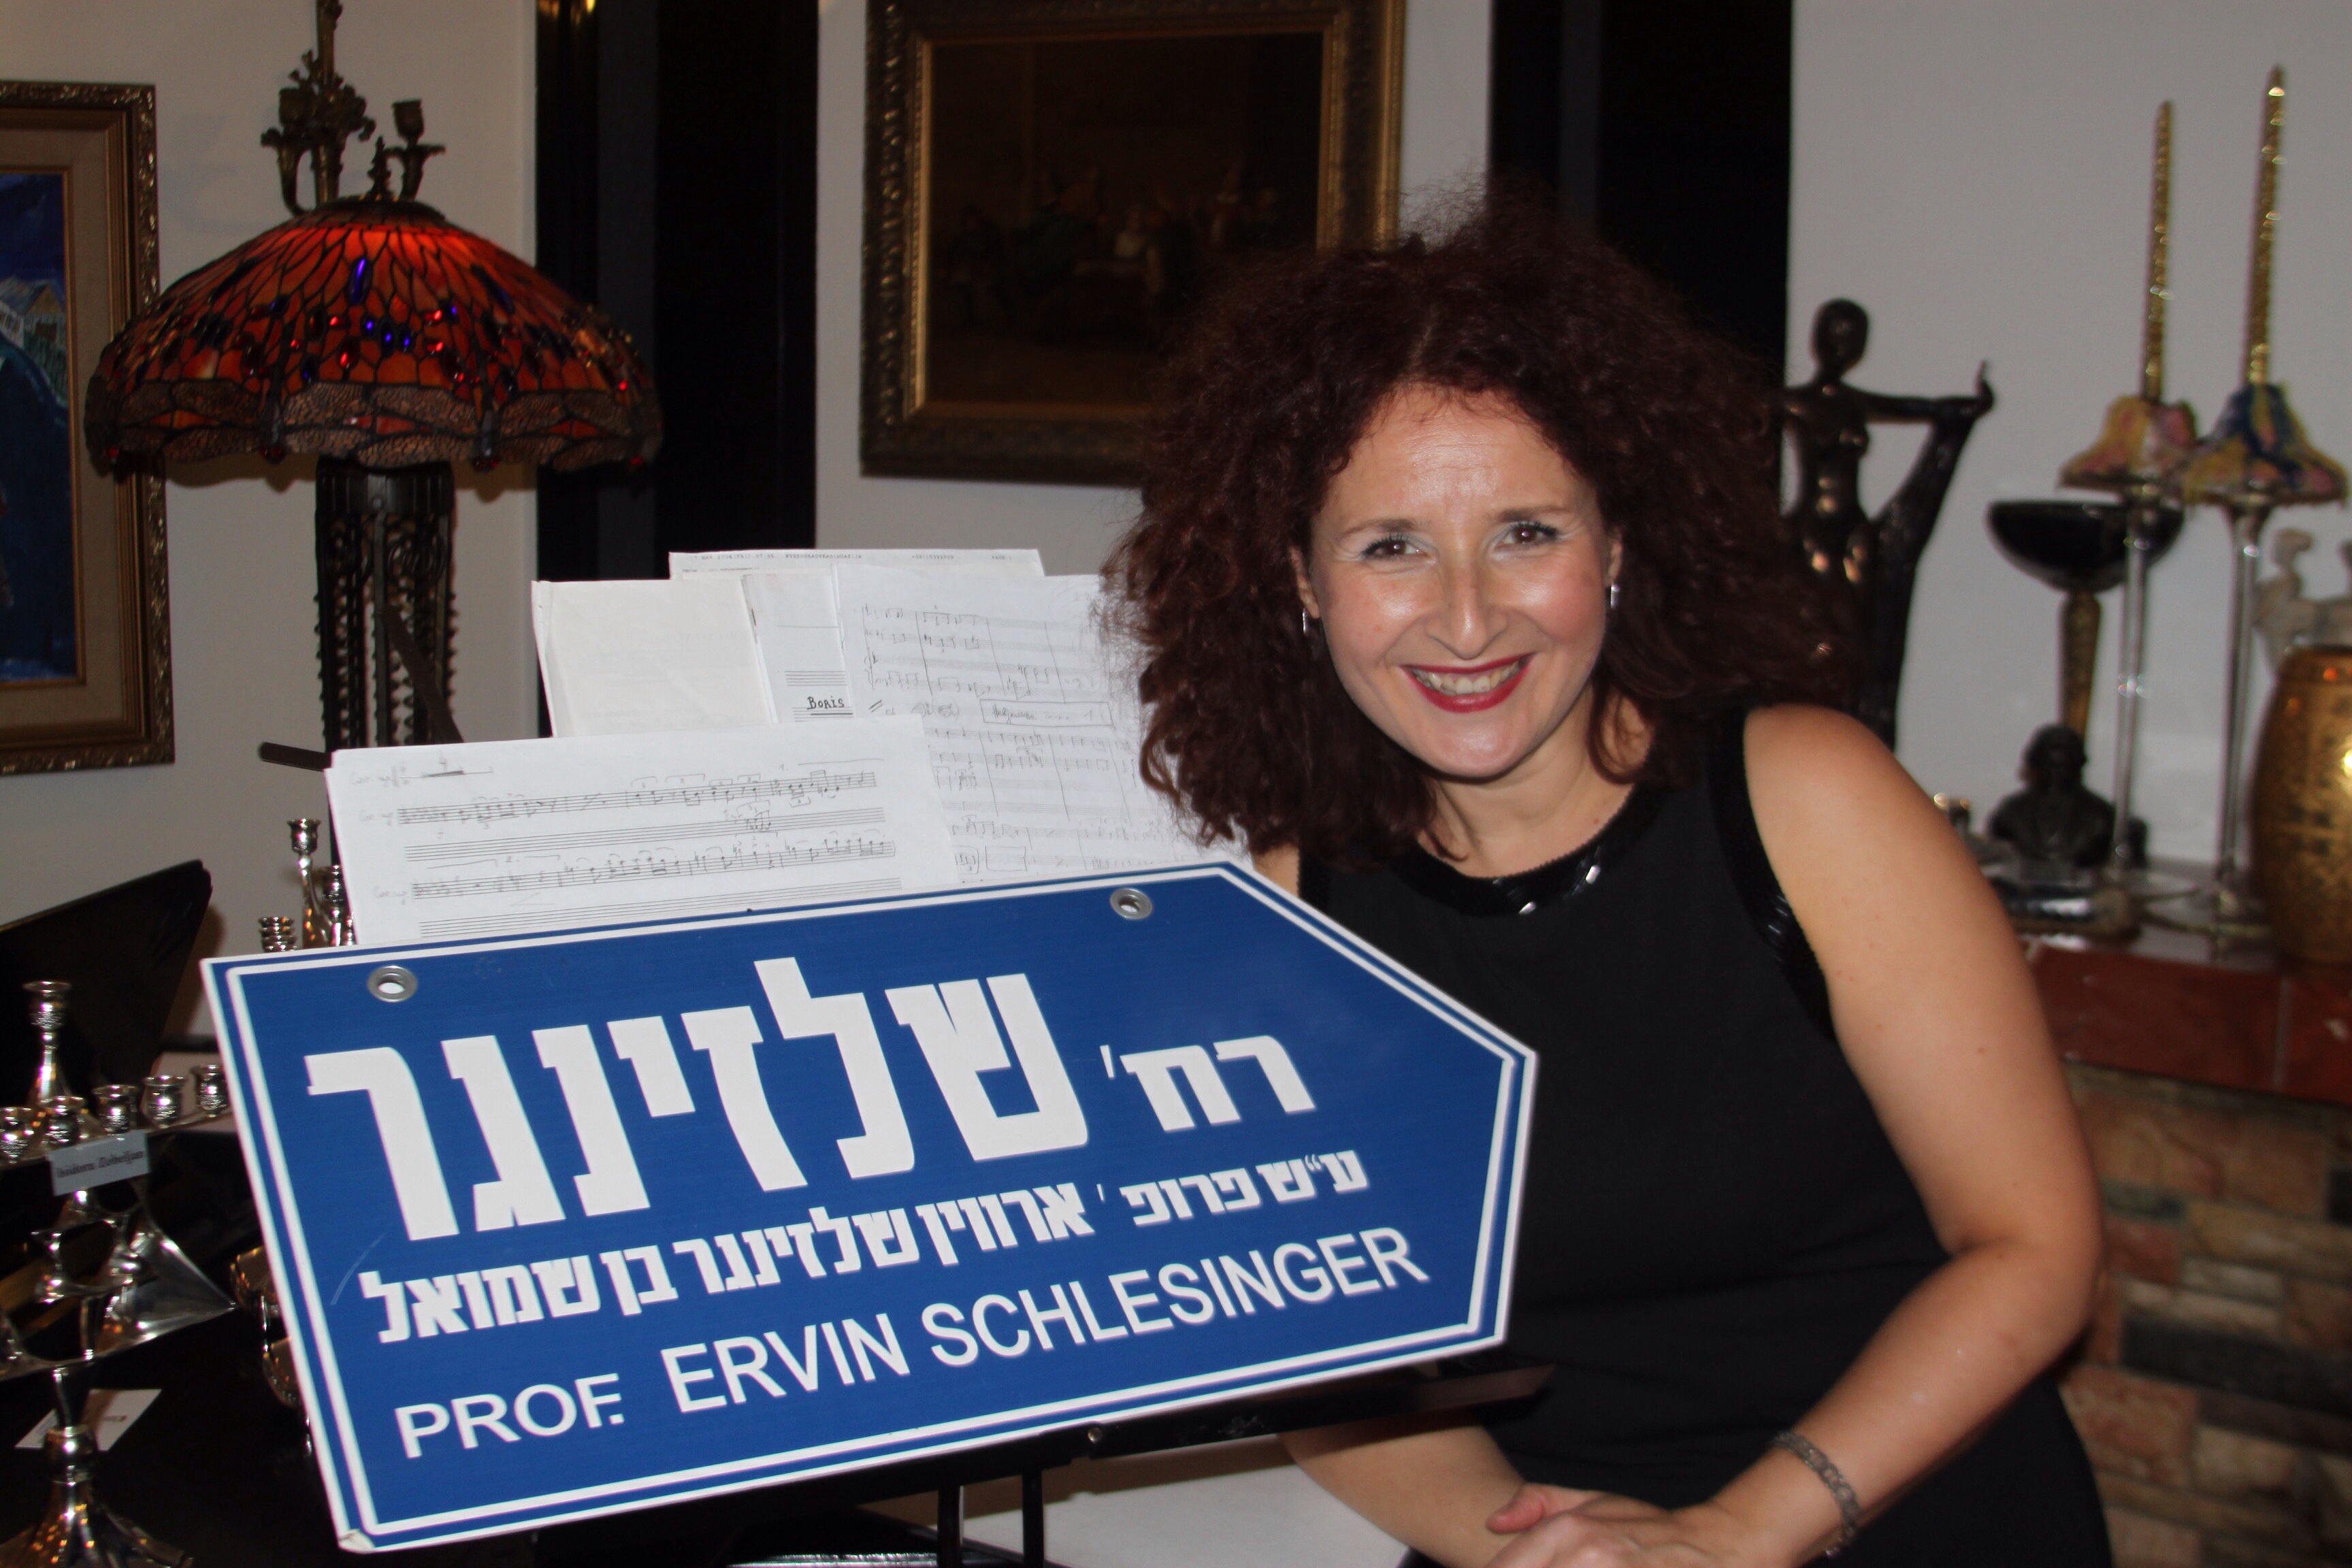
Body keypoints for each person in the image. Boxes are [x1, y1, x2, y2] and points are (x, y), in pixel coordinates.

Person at [1107, 193, 2108, 1567]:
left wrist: (1737, 1533)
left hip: (1885, 1502)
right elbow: (1327, 1362)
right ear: (1300, 581)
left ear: (1619, 546)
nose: (1468, 617)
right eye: (1391, 546)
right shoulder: (1291, 908)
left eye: (1528, 533)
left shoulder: (1805, 801)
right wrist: (1536, 1553)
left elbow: (2032, 1249)